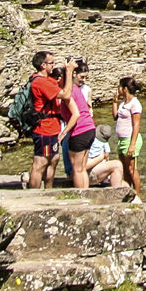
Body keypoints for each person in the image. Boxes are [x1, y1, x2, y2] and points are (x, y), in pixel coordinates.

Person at [24, 52, 77, 191]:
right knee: (40, 163)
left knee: (53, 160)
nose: (53, 66)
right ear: (43, 65)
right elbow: (65, 94)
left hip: (52, 128)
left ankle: (48, 191)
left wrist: (67, 71)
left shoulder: (47, 80)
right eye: (51, 63)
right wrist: (70, 72)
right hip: (44, 129)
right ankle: (32, 196)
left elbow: (62, 85)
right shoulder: (41, 82)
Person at [63, 58, 95, 190]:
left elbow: (76, 115)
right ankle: (86, 194)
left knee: (76, 169)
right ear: (74, 75)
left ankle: (81, 197)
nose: (83, 80)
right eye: (82, 77)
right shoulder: (77, 89)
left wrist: (64, 132)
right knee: (82, 168)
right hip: (90, 129)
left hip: (80, 130)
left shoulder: (70, 91)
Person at [114, 76, 144, 199]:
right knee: (124, 169)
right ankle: (128, 193)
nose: (118, 89)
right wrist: (114, 102)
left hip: (130, 140)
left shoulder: (135, 104)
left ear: (125, 89)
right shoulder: (123, 103)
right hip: (121, 140)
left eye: (120, 87)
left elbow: (136, 125)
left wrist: (132, 144)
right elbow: (115, 117)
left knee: (131, 169)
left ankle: (137, 195)